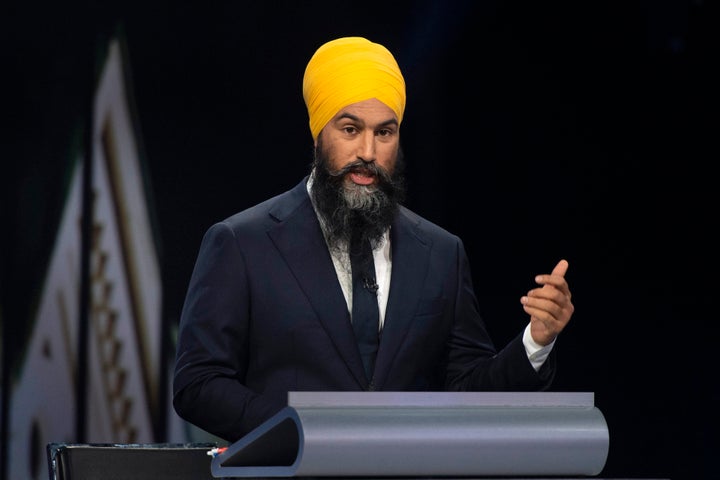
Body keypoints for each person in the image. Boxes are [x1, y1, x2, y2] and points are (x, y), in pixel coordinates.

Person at [172, 36, 574, 443]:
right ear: (318, 135)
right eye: (350, 129)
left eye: (385, 133)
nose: (368, 151)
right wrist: (302, 431)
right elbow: (199, 384)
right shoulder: (242, 243)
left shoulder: (439, 252)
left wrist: (535, 342)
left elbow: (465, 391)